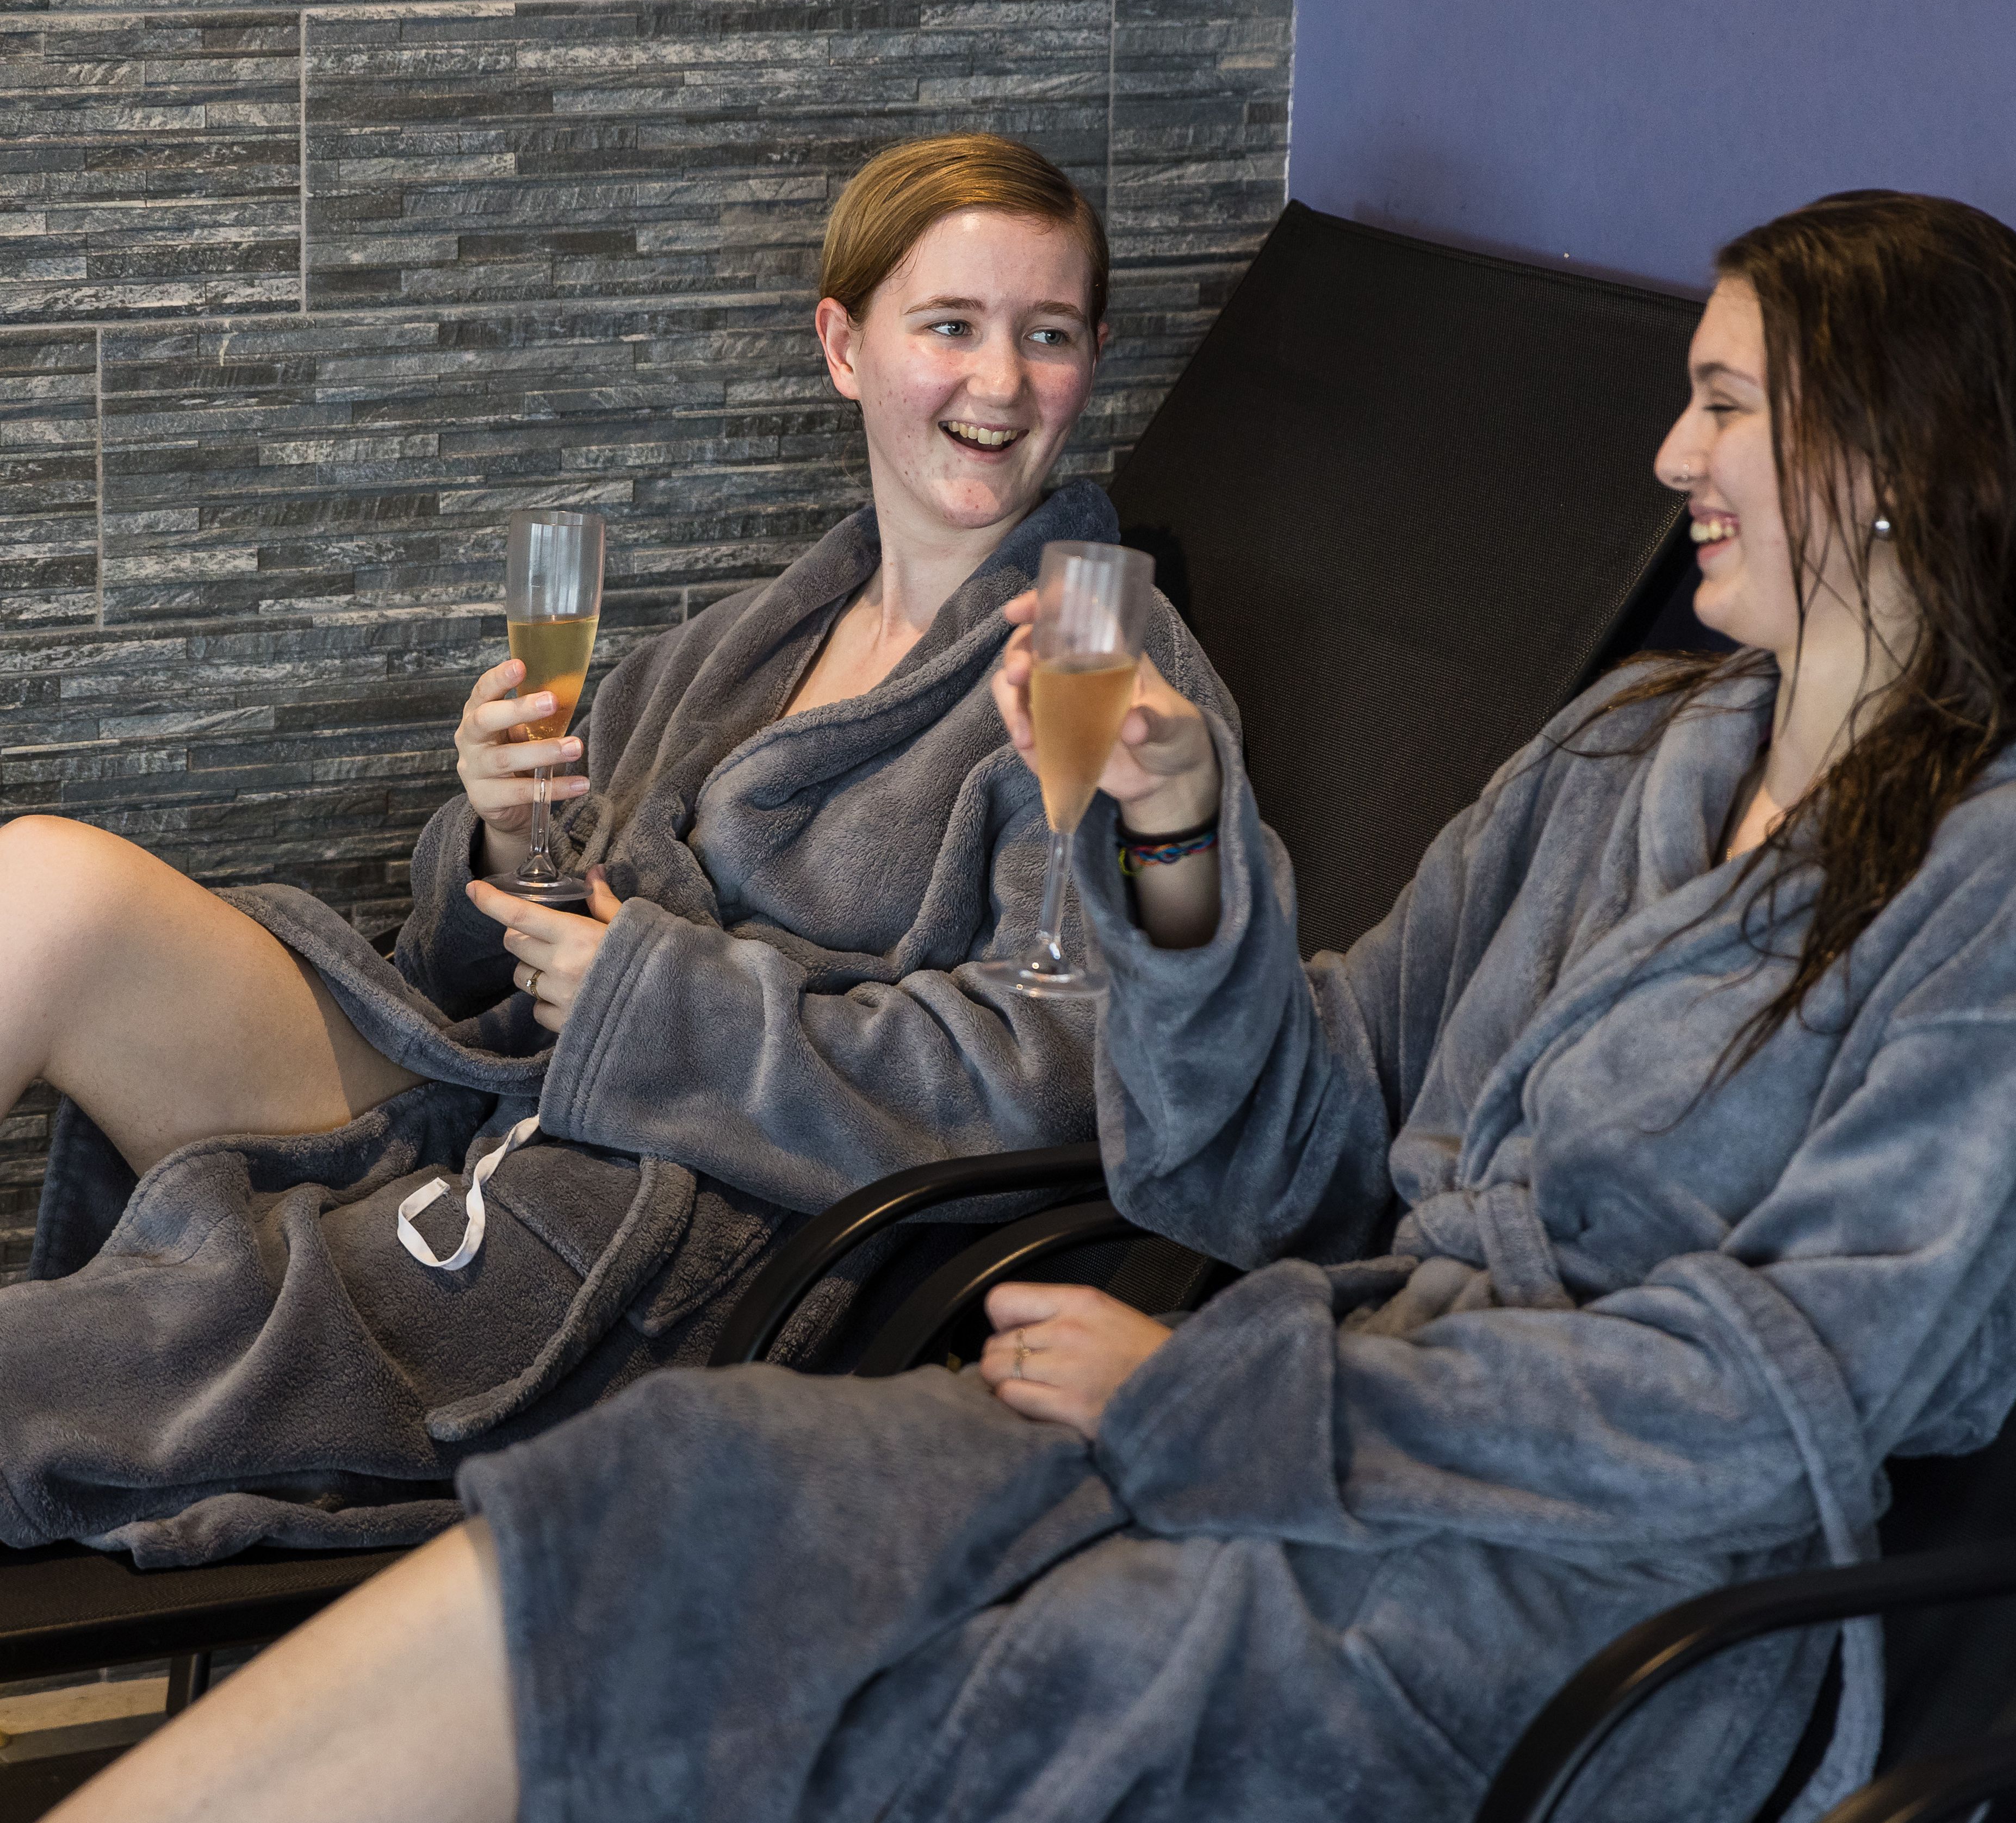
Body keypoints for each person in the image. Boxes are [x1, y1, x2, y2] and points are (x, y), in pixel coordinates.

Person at [0, 192, 2016, 1823]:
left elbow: (1800, 1393)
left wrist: (1230, 1398)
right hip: (1272, 1422)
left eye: (1722, 403)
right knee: (684, 1496)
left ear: (1890, 458)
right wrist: (1185, 848)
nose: (1668, 457)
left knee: (831, 1738)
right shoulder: (1620, 756)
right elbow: (1300, 1141)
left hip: (1578, 1611)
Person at [0, 133, 1232, 1567]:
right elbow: (472, 968)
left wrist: (656, 1005)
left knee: (48, 1374)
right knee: (47, 885)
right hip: (494, 1090)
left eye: (1049, 334)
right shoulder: (745, 641)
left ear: (1092, 360)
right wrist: (508, 830)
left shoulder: (1104, 674)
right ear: (845, 346)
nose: (1001, 381)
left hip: (672, 1222)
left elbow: (1067, 1066)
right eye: (950, 326)